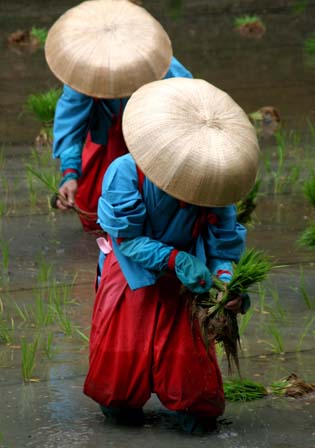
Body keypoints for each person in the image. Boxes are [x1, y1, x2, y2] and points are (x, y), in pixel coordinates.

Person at [83, 77, 260, 434]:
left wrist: (225, 281)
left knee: (195, 398)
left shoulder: (216, 180)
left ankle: (190, 411)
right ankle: (120, 407)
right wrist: (175, 259)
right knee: (120, 384)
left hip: (186, 284)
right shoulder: (125, 171)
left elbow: (223, 244)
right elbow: (128, 241)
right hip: (132, 274)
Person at [44, 0, 192, 232]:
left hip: (153, 132)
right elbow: (71, 124)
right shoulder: (85, 69)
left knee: (157, 204)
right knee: (93, 207)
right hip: (108, 133)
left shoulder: (158, 62)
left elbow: (187, 99)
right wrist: (70, 173)